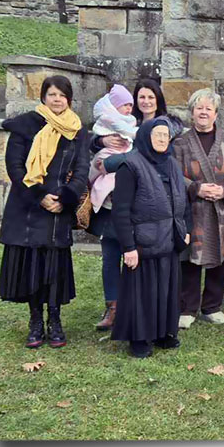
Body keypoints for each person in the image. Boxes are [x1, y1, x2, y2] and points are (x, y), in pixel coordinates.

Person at [0, 75, 90, 349]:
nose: (57, 99)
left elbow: (82, 169)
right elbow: (15, 167)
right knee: (33, 268)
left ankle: (56, 321)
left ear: (69, 99)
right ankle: (35, 322)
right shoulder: (26, 125)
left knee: (54, 270)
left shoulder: (76, 129)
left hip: (59, 209)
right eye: (52, 94)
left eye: (62, 95)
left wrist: (66, 197)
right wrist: (40, 196)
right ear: (43, 97)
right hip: (29, 205)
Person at [111, 117, 191, 359]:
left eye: (165, 135)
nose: (162, 139)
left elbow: (183, 200)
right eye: (157, 134)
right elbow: (120, 210)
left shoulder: (172, 164)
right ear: (146, 136)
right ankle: (139, 338)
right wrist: (128, 247)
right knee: (141, 292)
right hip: (142, 242)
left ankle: (163, 332)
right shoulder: (130, 165)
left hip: (169, 238)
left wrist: (185, 229)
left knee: (166, 288)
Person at [173, 88, 224, 328]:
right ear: (192, 112)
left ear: (216, 114)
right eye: (199, 108)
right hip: (192, 209)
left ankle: (212, 306)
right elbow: (172, 173)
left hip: (223, 209)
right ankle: (188, 308)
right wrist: (196, 188)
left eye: (208, 108)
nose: (204, 112)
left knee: (221, 257)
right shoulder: (181, 142)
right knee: (189, 258)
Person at [87, 85, 138, 332]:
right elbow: (94, 150)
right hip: (109, 205)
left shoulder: (138, 126)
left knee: (135, 258)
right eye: (125, 104)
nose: (129, 108)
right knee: (110, 258)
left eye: (131, 105)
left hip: (134, 206)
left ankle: (132, 306)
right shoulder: (108, 123)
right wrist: (101, 143)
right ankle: (113, 307)